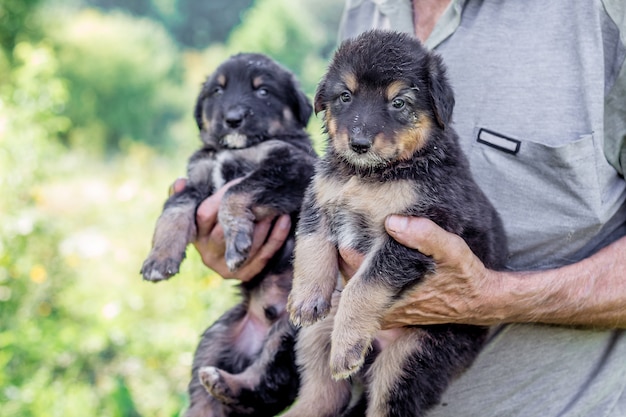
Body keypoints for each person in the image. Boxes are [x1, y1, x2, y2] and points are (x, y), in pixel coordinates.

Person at [174, 1, 626, 415]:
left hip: (545, 400)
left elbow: (408, 247)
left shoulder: (599, 16)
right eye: (345, 101)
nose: (362, 133)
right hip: (344, 373)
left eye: (399, 105)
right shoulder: (363, 12)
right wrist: (250, 243)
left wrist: (494, 297)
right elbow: (317, 220)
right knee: (314, 340)